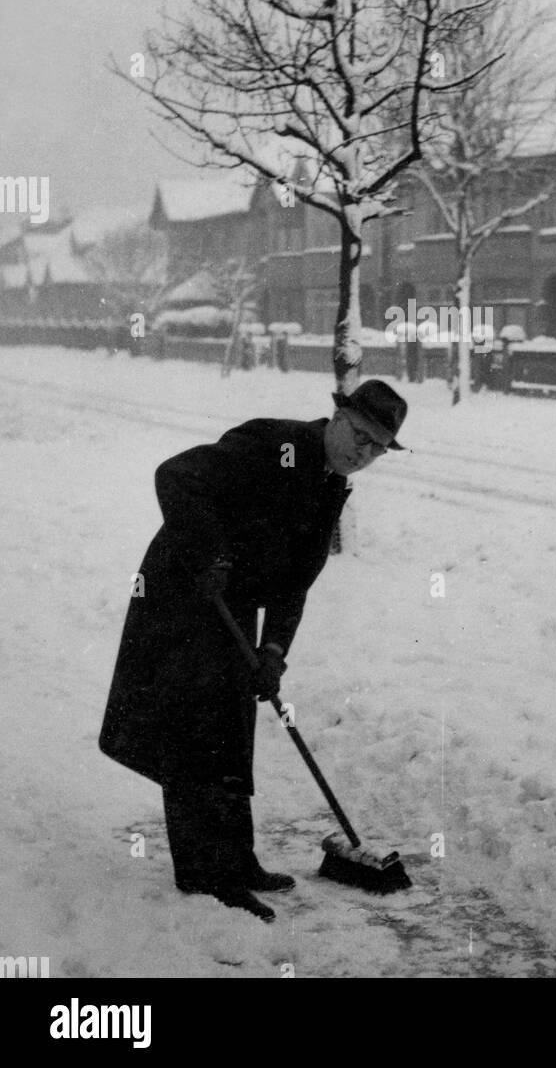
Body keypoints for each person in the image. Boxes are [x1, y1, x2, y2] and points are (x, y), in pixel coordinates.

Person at [99, 379, 408, 922]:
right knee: (193, 731)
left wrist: (273, 653)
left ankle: (238, 862)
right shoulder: (277, 444)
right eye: (359, 435)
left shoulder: (331, 485)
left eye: (376, 447)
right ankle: (206, 876)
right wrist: (211, 554)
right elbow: (176, 475)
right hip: (181, 593)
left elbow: (295, 584)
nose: (363, 452)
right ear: (336, 416)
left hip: (229, 605)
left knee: (232, 725)